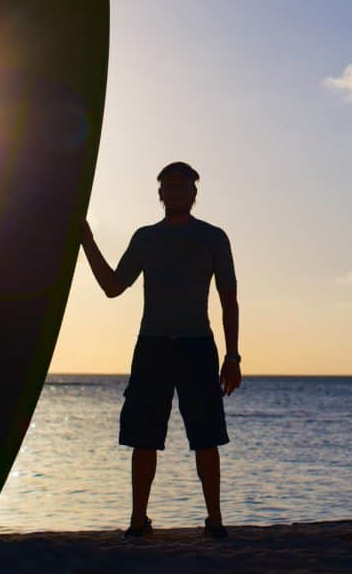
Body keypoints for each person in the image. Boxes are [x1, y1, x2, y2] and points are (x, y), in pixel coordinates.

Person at [80, 161, 241, 540]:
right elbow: (113, 286)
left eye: (183, 185)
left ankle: (215, 520)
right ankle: (138, 520)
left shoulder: (213, 238)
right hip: (152, 346)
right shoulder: (146, 238)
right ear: (160, 193)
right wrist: (86, 240)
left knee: (207, 436)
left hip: (197, 346)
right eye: (169, 185)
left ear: (194, 193)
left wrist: (232, 356)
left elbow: (229, 298)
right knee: (143, 436)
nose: (176, 191)